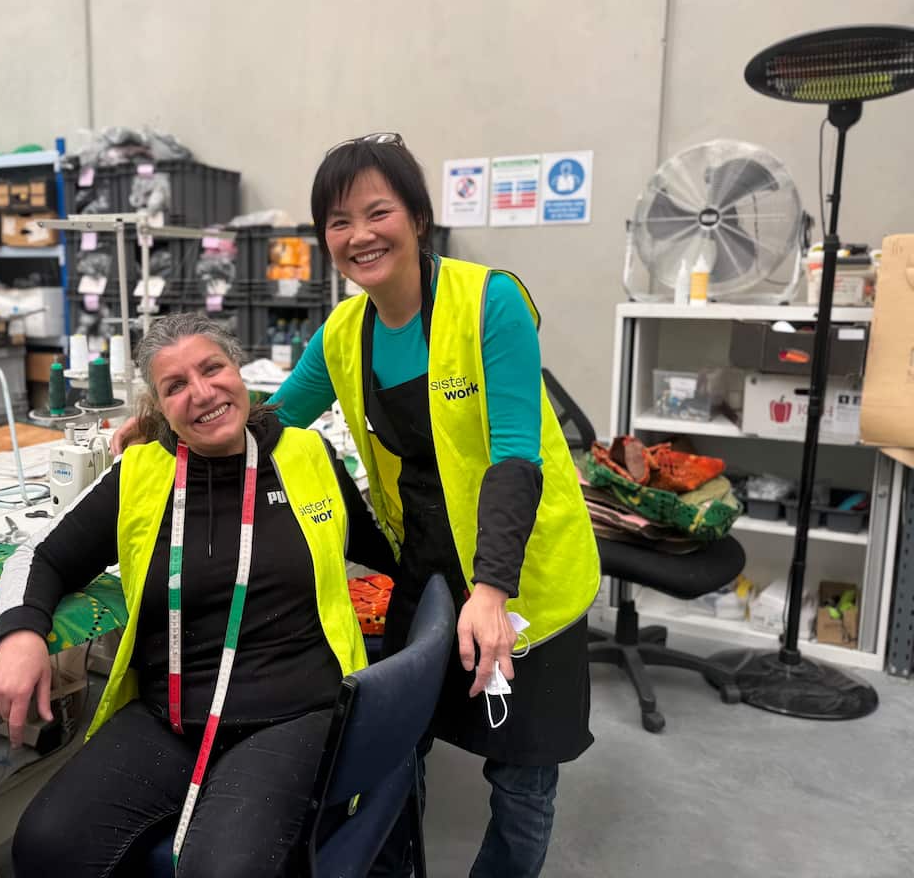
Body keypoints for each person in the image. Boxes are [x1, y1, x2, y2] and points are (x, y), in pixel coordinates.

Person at [115, 133, 601, 877]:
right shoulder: (347, 330)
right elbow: (274, 418)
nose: (359, 235)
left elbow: (513, 457)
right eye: (338, 222)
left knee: (522, 774)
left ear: (417, 217)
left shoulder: (488, 303)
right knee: (397, 749)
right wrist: (163, 421)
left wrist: (493, 590)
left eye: (378, 212)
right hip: (427, 563)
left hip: (524, 567)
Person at [0, 312, 392, 878]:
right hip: (173, 715)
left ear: (238, 370)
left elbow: (388, 555)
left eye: (213, 368)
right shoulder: (140, 475)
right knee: (46, 846)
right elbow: (41, 555)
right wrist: (22, 635)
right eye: (176, 386)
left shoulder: (309, 456)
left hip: (292, 713)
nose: (202, 393)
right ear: (158, 406)